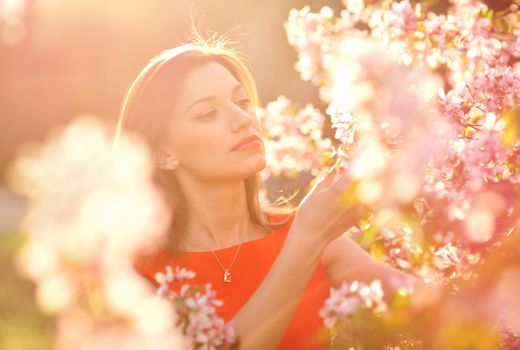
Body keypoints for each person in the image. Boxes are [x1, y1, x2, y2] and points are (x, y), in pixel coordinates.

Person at [115, 34, 424, 350]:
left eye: (242, 102)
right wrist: (306, 239)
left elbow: (439, 313)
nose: (243, 119)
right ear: (163, 153)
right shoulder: (134, 274)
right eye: (208, 113)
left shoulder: (310, 236)